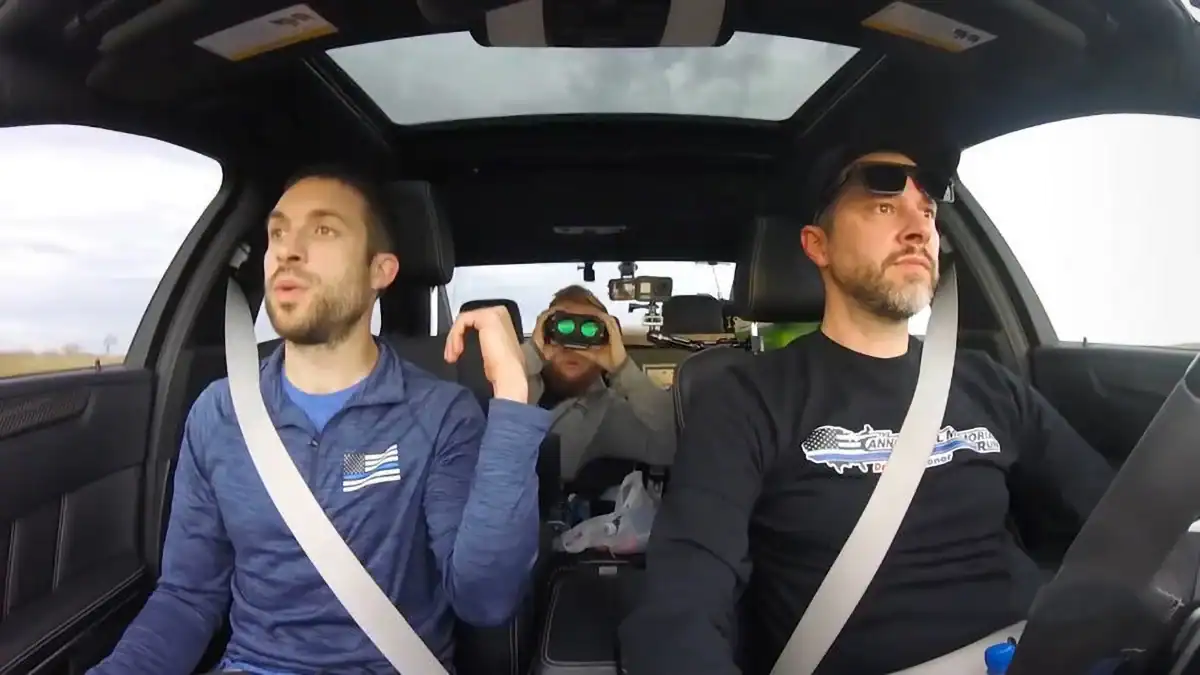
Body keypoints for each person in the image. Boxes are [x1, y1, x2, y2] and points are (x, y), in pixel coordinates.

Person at [618, 145, 1116, 674]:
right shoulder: (747, 398)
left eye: (927, 212)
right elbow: (683, 601)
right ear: (818, 245)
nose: (918, 229)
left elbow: (1119, 519)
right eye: (884, 207)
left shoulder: (988, 383)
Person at [88, 167, 552, 674]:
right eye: (277, 233)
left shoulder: (441, 415)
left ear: (381, 271)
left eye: (324, 230)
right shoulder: (219, 413)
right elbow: (187, 598)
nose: (288, 250)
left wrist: (512, 397)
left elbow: (485, 600)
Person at [524, 285, 675, 480]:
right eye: (564, 327)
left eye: (589, 329)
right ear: (546, 333)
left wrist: (622, 367)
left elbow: (669, 445)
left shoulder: (606, 410)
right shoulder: (517, 383)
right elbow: (491, 409)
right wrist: (532, 355)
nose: (574, 347)